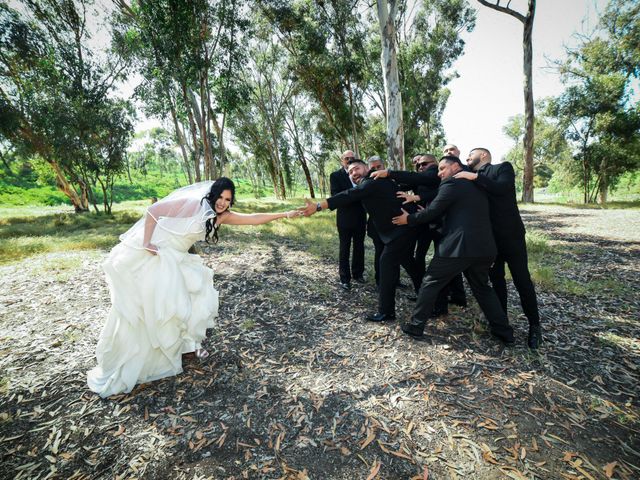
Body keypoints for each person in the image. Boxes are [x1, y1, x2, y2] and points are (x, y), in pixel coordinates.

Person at [87, 178, 301, 398]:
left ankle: (182, 346)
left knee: (190, 300)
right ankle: (143, 356)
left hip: (178, 259)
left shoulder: (222, 216)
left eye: (228, 200)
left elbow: (254, 219)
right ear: (213, 193)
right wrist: (147, 243)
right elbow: (153, 211)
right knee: (154, 308)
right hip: (159, 255)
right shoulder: (192, 204)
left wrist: (284, 214)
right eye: (220, 197)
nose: (223, 203)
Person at [391, 156, 514, 345]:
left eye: (442, 168)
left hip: (458, 248)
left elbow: (433, 211)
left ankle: (416, 325)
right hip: (485, 248)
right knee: (482, 288)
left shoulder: (452, 183)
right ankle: (504, 332)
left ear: (456, 166)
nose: (439, 173)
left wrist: (409, 218)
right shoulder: (479, 185)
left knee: (430, 281)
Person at [301, 159, 421, 322]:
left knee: (386, 264)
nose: (353, 173)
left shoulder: (371, 182)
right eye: (350, 172)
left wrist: (318, 206)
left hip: (402, 230)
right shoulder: (375, 183)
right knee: (409, 263)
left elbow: (348, 195)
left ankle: (387, 312)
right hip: (400, 230)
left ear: (367, 168)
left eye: (356, 168)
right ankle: (429, 295)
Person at [454, 147, 542, 349]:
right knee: (496, 280)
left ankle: (535, 326)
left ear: (483, 155)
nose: (467, 158)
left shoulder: (503, 168)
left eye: (470, 154)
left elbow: (502, 188)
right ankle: (502, 324)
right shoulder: (469, 177)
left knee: (522, 280)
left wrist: (474, 178)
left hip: (511, 236)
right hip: (489, 239)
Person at [330, 150, 367, 290]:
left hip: (360, 217)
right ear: (342, 160)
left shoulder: (362, 175)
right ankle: (344, 278)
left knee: (359, 247)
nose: (349, 160)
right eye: (347, 158)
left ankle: (358, 274)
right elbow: (335, 195)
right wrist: (354, 196)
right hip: (344, 218)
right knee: (344, 248)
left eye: (352, 158)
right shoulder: (335, 176)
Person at [365, 156, 386, 288]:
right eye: (373, 168)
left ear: (384, 166)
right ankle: (380, 281)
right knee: (380, 254)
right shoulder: (367, 183)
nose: (377, 170)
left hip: (395, 226)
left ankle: (394, 280)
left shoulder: (391, 179)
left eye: (379, 167)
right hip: (376, 227)